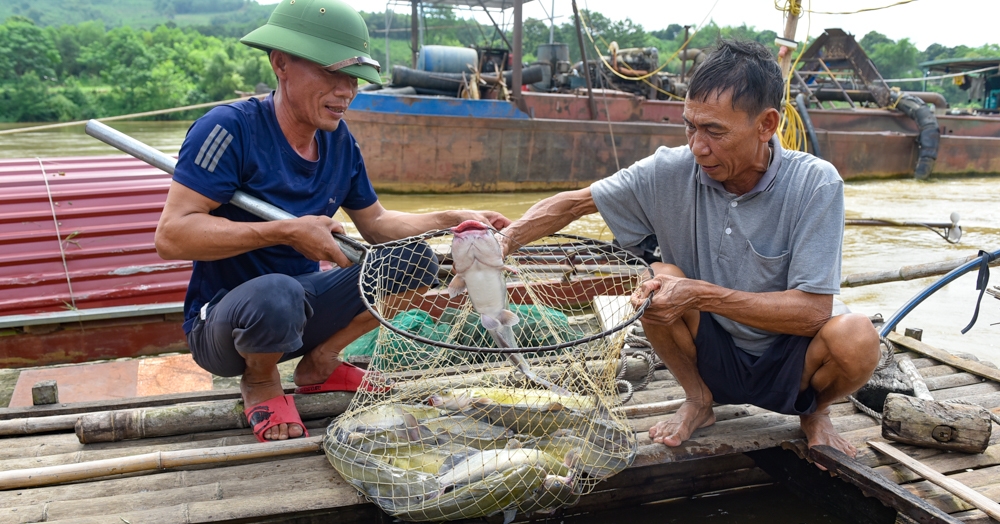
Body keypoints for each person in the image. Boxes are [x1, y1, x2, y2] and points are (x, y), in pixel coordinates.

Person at [498, 40, 881, 458]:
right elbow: (572, 204)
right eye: (690, 126)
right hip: (713, 352)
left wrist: (700, 294)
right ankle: (698, 399)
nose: (698, 147)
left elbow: (812, 312)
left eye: (715, 131)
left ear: (766, 124)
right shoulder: (670, 169)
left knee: (858, 337)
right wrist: (499, 244)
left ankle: (815, 412)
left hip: (792, 358)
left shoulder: (815, 183)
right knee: (659, 282)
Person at [155, 0, 510, 442]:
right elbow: (172, 236)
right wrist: (283, 230)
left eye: (353, 79)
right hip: (223, 326)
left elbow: (377, 225)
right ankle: (261, 380)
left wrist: (451, 217)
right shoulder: (229, 128)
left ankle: (321, 360)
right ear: (281, 63)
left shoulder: (339, 142)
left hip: (301, 313)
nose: (346, 91)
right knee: (278, 291)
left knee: (412, 261)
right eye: (331, 74)